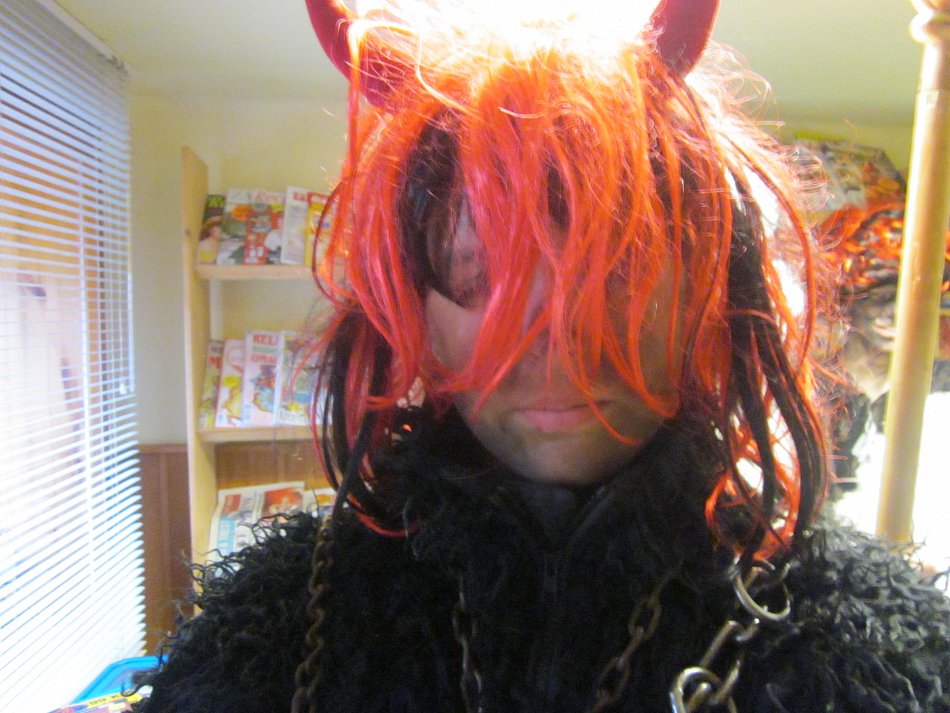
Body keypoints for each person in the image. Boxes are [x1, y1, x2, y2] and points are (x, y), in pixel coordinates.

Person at [139, 0, 950, 711]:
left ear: (708, 287)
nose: (554, 341)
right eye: (478, 274)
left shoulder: (872, 660)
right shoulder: (279, 639)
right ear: (413, 315)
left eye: (617, 267)